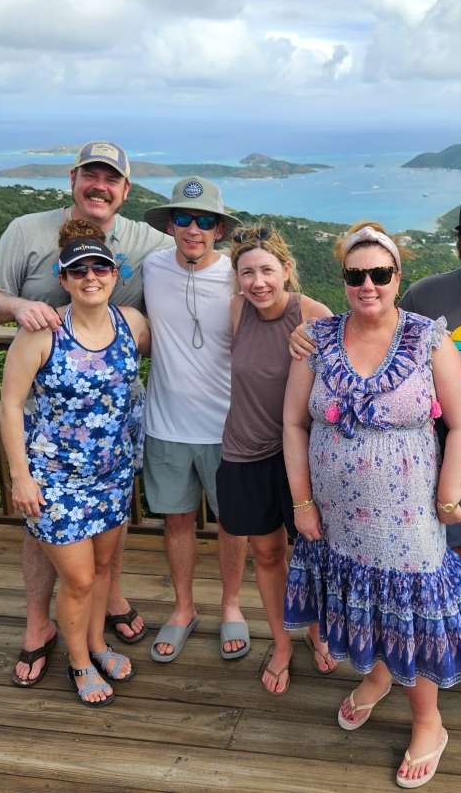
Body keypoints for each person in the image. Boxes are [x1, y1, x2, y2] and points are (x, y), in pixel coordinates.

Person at [288, 191, 461, 714]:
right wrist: (306, 336)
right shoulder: (426, 294)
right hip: (431, 477)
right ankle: (441, 666)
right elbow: (379, 327)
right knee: (443, 574)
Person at [282, 222, 461, 789]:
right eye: (356, 275)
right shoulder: (317, 339)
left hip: (408, 514)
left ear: (397, 277)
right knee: (368, 598)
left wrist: (450, 493)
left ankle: (428, 721)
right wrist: (302, 503)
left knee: (410, 606)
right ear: (343, 279)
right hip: (338, 515)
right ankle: (380, 675)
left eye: (380, 274)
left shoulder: (428, 338)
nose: (368, 285)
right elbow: (293, 422)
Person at [0, 141, 170, 686]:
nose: (100, 186)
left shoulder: (139, 270)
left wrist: (294, 316)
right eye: (90, 176)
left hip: (112, 462)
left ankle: (95, 638)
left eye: (111, 178)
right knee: (69, 567)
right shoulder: (26, 236)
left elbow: (198, 266)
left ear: (125, 190)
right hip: (53, 457)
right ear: (73, 179)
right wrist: (19, 307)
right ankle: (46, 629)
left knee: (100, 562)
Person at [0, 220, 150, 708]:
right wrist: (20, 477)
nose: (91, 277)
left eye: (99, 268)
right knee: (80, 579)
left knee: (103, 568)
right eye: (78, 270)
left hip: (112, 473)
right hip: (56, 480)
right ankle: (79, 661)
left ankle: (98, 644)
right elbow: (10, 405)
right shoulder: (42, 333)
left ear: (114, 273)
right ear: (62, 278)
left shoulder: (131, 323)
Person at [217, 225, 333, 692]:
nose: (258, 282)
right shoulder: (236, 311)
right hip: (245, 452)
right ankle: (282, 644)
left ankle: (317, 631)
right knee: (266, 554)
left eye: (267, 270)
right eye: (247, 272)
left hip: (299, 457)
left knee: (314, 552)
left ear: (286, 270)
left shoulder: (312, 313)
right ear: (237, 278)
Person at [141, 177, 250, 663]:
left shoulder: (237, 276)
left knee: (233, 523)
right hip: (165, 423)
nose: (193, 229)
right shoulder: (150, 268)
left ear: (219, 230)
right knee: (177, 521)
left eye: (205, 220)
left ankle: (231, 605)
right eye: (183, 218)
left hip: (227, 426)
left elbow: (287, 306)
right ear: (170, 224)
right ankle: (183, 608)